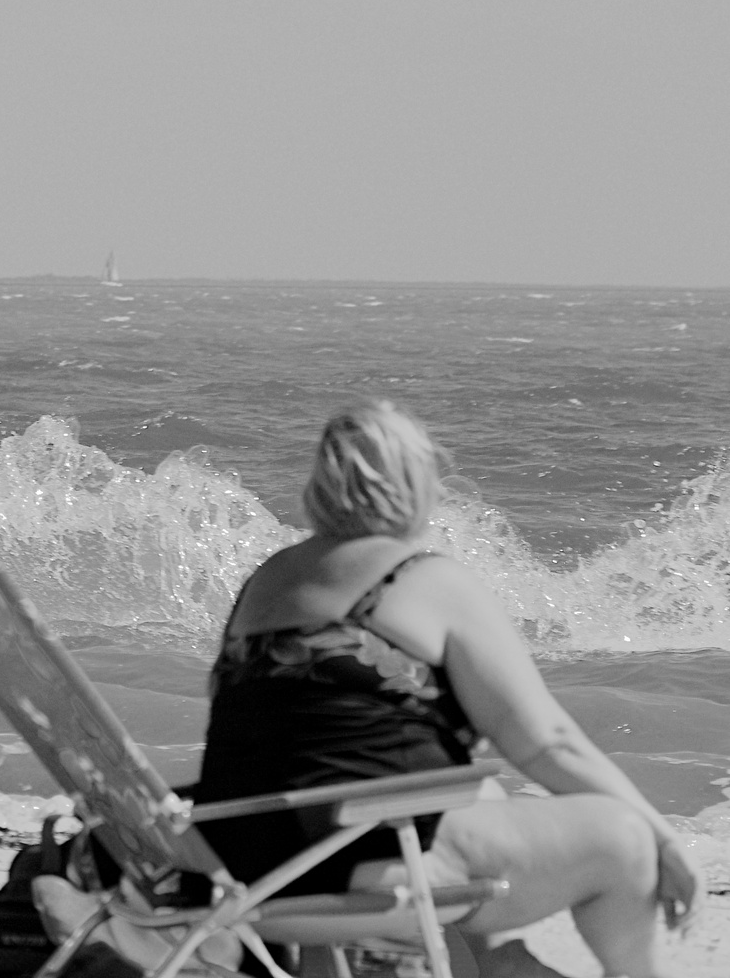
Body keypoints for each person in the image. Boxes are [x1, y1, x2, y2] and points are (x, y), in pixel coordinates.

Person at [195, 401, 702, 978]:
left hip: (239, 858)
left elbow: (288, 733)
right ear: (416, 483)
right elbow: (547, 742)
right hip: (355, 864)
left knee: (479, 795)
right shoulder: (422, 578)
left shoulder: (266, 580)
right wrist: (665, 841)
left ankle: (503, 960)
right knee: (622, 841)